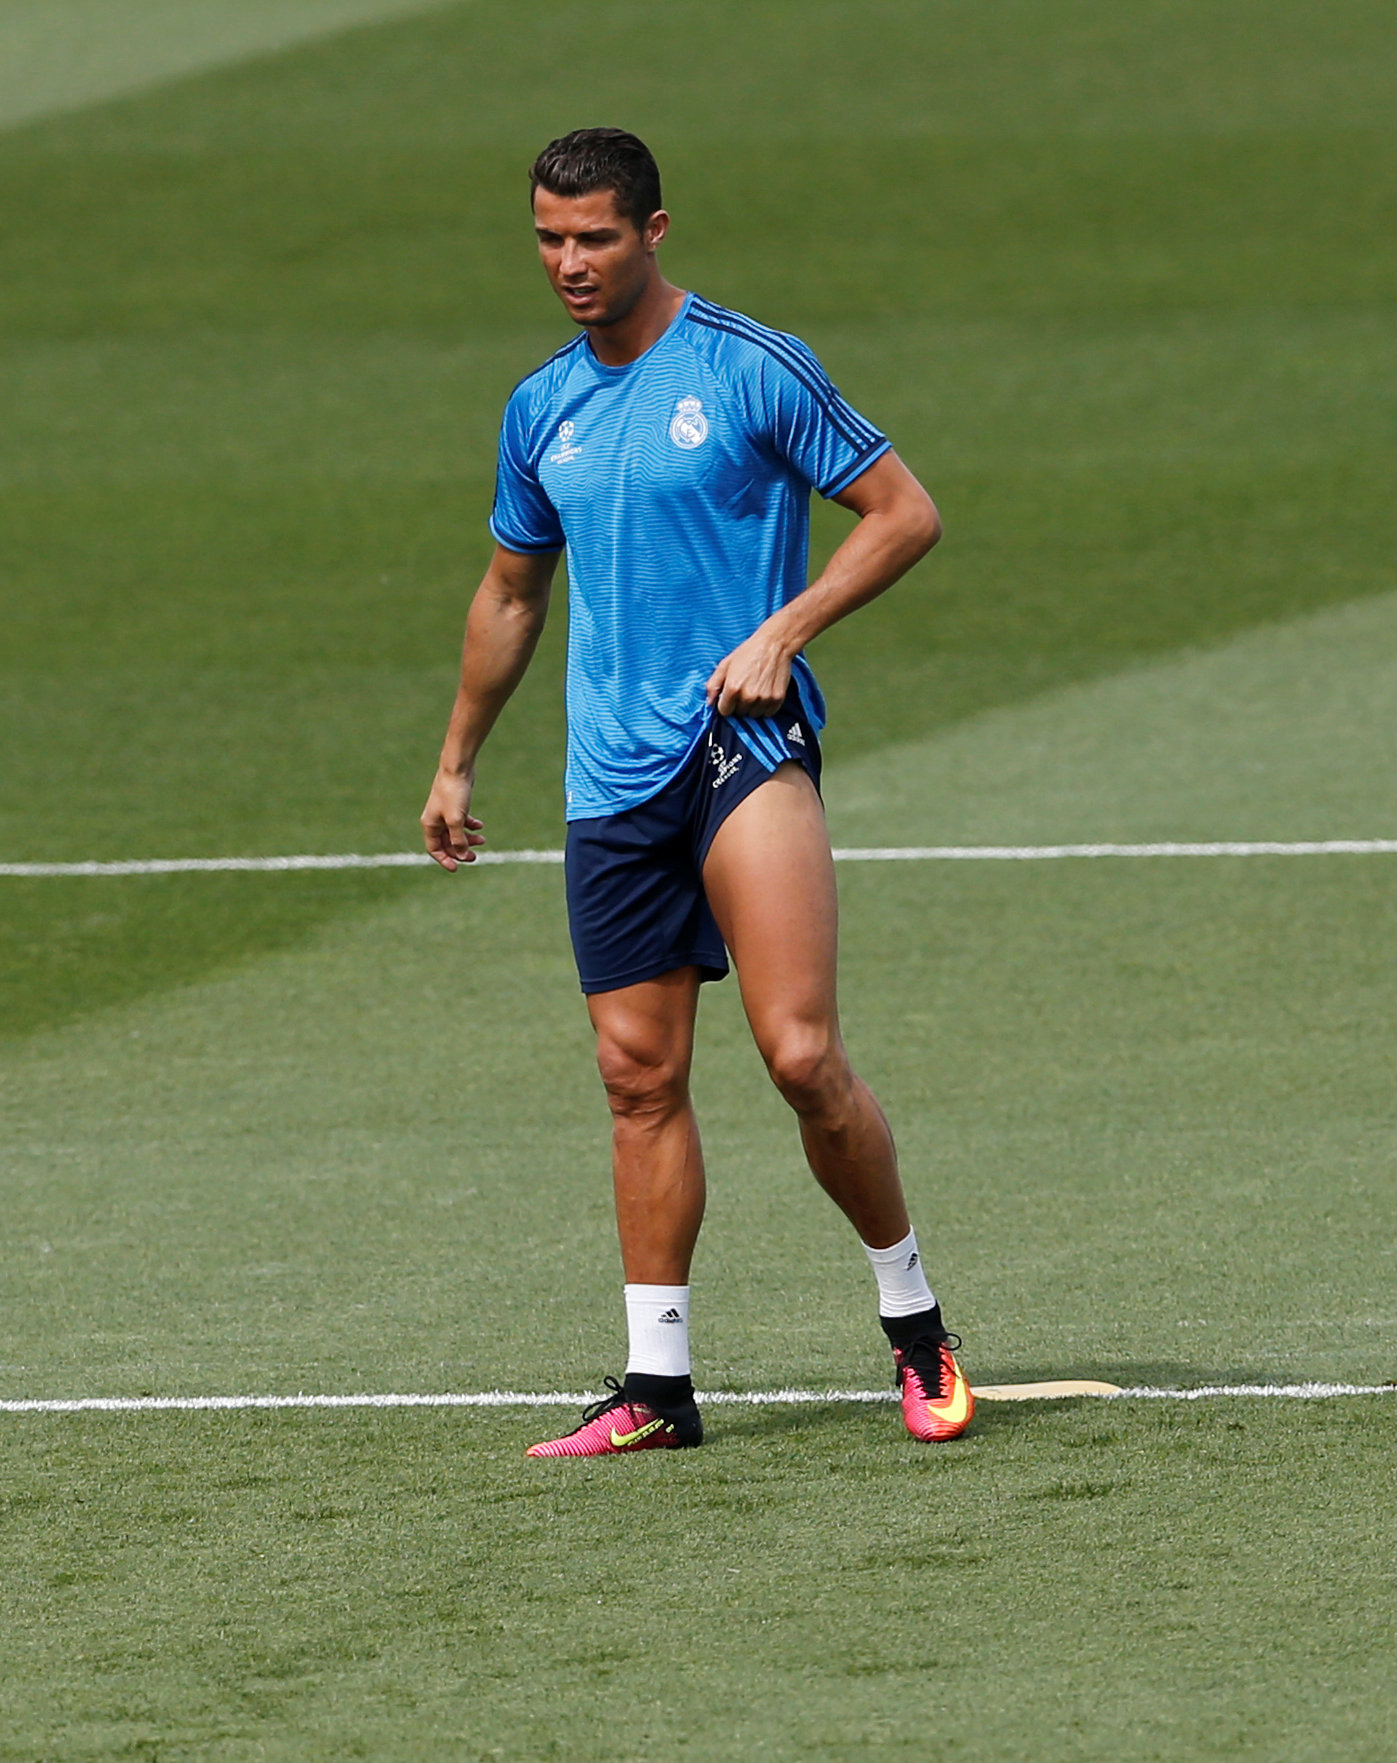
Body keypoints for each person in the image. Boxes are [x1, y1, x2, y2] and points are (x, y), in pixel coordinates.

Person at [419, 127, 968, 1454]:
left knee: (798, 1056)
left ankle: (916, 1324)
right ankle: (656, 1390)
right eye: (549, 239)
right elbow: (509, 591)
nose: (570, 263)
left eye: (595, 238)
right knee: (635, 1080)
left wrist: (789, 628)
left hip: (743, 750)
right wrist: (454, 759)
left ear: (653, 232)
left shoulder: (747, 367)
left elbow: (903, 512)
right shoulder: (538, 407)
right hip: (609, 778)